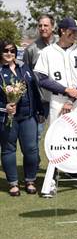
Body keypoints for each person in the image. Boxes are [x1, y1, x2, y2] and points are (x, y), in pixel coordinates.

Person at [34, 17, 77, 196]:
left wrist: (71, 100)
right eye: (71, 31)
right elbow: (41, 78)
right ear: (62, 31)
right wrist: (66, 91)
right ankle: (50, 180)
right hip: (57, 101)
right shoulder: (48, 52)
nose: (75, 34)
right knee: (56, 140)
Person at [0, 41, 44, 196]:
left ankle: (30, 180)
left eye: (13, 50)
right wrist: (5, 108)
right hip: (7, 118)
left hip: (28, 116)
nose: (9, 53)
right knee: (8, 150)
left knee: (31, 149)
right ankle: (13, 183)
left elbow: (34, 89)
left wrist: (39, 110)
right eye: (6, 50)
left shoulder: (24, 67)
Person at [23, 14, 57, 140]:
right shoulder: (31, 49)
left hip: (60, 99)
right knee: (35, 136)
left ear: (53, 27)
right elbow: (25, 76)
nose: (43, 28)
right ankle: (35, 160)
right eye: (40, 25)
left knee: (61, 136)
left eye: (46, 25)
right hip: (40, 102)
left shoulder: (62, 45)